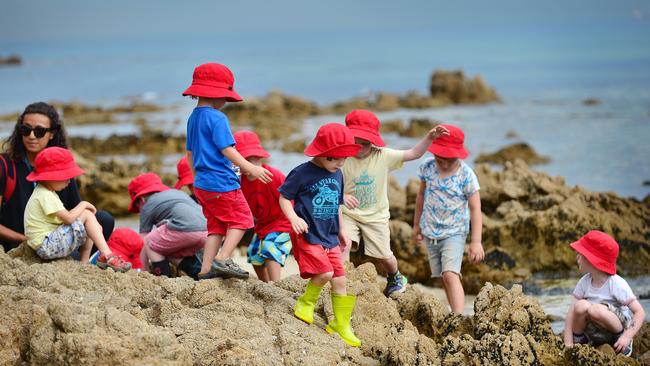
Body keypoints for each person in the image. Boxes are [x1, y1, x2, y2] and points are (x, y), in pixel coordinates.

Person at [341, 109, 449, 296]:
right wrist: (341, 198)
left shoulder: (382, 156)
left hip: (376, 217)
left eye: (365, 144)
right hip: (348, 213)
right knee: (344, 243)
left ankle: (395, 276)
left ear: (373, 142)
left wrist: (429, 137)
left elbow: (413, 153)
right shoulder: (342, 157)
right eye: (354, 143)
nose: (359, 148)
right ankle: (341, 278)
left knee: (385, 256)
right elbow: (330, 179)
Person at [183, 62, 273, 280]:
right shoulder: (217, 118)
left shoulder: (193, 118)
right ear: (214, 94)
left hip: (203, 183)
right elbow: (227, 149)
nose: (226, 101)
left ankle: (205, 270)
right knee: (243, 220)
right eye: (225, 96)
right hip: (222, 182)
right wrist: (251, 167)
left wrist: (196, 180)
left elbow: (189, 153)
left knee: (216, 227)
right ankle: (223, 258)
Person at [279, 123, 362, 347]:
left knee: (340, 280)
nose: (340, 163)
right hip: (309, 234)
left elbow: (337, 203)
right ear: (322, 153)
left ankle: (341, 324)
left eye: (344, 159)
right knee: (324, 272)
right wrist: (293, 218)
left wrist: (342, 229)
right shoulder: (301, 173)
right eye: (335, 159)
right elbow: (284, 197)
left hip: (330, 235)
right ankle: (306, 302)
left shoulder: (337, 173)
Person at [1, 102, 114, 253]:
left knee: (103, 220)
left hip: (53, 243)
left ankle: (85, 262)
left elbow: (75, 212)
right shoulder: (4, 166)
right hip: (17, 247)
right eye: (25, 129)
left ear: (52, 133)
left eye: (39, 131)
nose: (31, 136)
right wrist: (23, 239)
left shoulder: (60, 166)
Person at [413, 124, 484, 314]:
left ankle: (459, 317)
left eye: (450, 160)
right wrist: (416, 226)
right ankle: (454, 311)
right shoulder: (427, 167)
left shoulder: (466, 175)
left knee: (450, 274)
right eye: (440, 159)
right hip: (431, 231)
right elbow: (420, 196)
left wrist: (476, 242)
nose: (444, 164)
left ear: (459, 155)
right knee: (443, 276)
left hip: (455, 232)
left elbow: (476, 208)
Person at [23, 146, 130, 272]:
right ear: (50, 176)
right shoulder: (45, 195)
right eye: (66, 177)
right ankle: (107, 255)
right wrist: (83, 204)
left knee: (91, 224)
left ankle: (85, 263)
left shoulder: (44, 192)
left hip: (47, 244)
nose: (69, 182)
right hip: (46, 246)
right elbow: (68, 219)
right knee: (86, 214)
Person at [563, 230, 645, 356]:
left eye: (580, 254)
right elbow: (571, 312)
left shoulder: (616, 283)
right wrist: (568, 342)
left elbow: (639, 312)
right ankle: (580, 341)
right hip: (594, 330)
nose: (577, 257)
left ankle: (619, 338)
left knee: (596, 310)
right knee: (580, 306)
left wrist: (627, 337)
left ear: (592, 261)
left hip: (616, 327)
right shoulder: (584, 282)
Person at [234, 130, 293, 283]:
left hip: (283, 222)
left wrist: (295, 219)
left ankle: (275, 284)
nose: (253, 165)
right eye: (247, 160)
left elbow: (290, 195)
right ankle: (265, 284)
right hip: (263, 225)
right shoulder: (238, 181)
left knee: (269, 247)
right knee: (253, 254)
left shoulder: (273, 176)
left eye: (256, 159)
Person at [127, 172, 207, 279]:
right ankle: (199, 273)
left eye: (137, 207)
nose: (139, 211)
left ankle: (164, 278)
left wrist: (143, 269)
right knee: (167, 249)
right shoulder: (176, 193)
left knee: (150, 242)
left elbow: (143, 241)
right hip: (206, 230)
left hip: (185, 228)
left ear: (141, 199)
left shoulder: (147, 205)